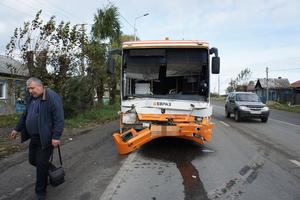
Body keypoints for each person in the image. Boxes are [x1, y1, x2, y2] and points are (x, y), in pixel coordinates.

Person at [10, 77, 64, 200]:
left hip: (46, 139)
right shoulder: (31, 98)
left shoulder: (52, 97)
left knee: (40, 165)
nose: (30, 91)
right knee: (33, 160)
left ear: (40, 86)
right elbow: (25, 115)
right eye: (29, 88)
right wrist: (16, 129)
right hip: (34, 137)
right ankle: (50, 168)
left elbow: (59, 119)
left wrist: (56, 136)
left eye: (32, 88)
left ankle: (40, 192)